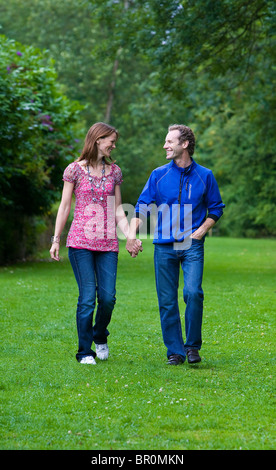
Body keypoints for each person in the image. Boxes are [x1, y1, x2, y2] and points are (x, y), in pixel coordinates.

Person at [126, 124, 225, 365]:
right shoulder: (158, 175)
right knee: (167, 300)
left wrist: (200, 233)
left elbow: (216, 208)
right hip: (164, 245)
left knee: (193, 293)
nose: (165, 146)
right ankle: (175, 351)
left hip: (191, 245)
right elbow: (141, 207)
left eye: (170, 142)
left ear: (185, 144)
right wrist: (131, 235)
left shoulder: (205, 175)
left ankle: (192, 347)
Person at [50, 122, 142, 365]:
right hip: (80, 242)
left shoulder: (115, 172)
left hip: (108, 245)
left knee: (108, 297)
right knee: (88, 297)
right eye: (111, 140)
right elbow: (65, 206)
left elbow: (118, 211)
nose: (114, 145)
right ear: (98, 140)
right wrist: (56, 239)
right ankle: (84, 351)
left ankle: (100, 334)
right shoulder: (74, 170)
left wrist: (129, 237)